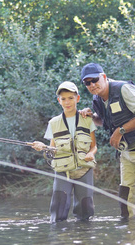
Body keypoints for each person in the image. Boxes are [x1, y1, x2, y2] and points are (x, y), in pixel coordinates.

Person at [79, 63, 135, 220]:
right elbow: (105, 121)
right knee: (125, 196)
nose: (92, 85)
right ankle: (130, 238)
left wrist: (120, 131)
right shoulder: (97, 98)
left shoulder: (123, 89)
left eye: (95, 80)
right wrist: (92, 117)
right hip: (127, 150)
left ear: (103, 77)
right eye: (87, 83)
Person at [31, 81, 98, 222]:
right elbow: (53, 150)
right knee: (59, 210)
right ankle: (60, 241)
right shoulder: (53, 123)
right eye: (63, 99)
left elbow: (94, 146)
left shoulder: (87, 120)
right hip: (63, 171)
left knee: (85, 211)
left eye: (71, 98)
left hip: (84, 169)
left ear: (77, 98)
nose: (67, 102)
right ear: (59, 101)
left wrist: (91, 153)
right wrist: (43, 147)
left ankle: (83, 239)